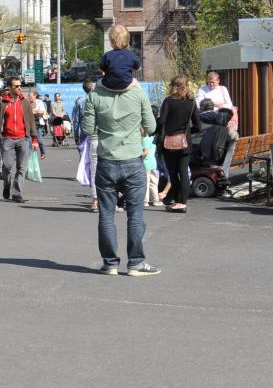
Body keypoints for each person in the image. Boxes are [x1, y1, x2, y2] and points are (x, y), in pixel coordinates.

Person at [81, 71, 159, 276]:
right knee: (135, 215)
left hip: (107, 160)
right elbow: (151, 127)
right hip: (132, 159)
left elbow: (88, 128)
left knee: (106, 214)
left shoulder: (94, 96)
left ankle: (110, 263)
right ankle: (136, 263)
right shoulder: (138, 94)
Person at [156, 74, 201, 214]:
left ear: (173, 86)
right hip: (185, 142)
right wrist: (187, 132)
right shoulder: (191, 102)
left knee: (173, 173)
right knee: (184, 172)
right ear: (186, 85)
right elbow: (198, 126)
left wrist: (158, 132)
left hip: (169, 142)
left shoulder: (168, 101)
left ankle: (176, 202)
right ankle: (183, 203)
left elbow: (161, 121)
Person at [0, 77, 40, 203]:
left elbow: (31, 122)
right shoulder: (3, 104)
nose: (19, 88)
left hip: (23, 139)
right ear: (9, 87)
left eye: (20, 85)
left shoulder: (25, 103)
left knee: (21, 168)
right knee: (6, 167)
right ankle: (7, 185)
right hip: (7, 139)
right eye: (16, 86)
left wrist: (34, 139)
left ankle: (17, 193)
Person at [72, 79, 100, 211]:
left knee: (91, 167)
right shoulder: (100, 99)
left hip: (88, 136)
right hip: (103, 137)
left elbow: (76, 120)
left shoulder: (80, 101)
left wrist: (76, 137)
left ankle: (95, 199)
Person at [99, 24, 141, 90]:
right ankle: (140, 98)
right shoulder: (131, 55)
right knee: (136, 82)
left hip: (109, 85)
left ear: (111, 41)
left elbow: (101, 69)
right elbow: (137, 68)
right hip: (126, 84)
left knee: (98, 83)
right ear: (128, 40)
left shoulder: (107, 55)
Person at [142, 131, 162, 207]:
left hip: (146, 164)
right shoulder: (153, 138)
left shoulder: (145, 139)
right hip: (153, 163)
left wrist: (136, 154)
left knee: (146, 183)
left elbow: (145, 152)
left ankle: (145, 201)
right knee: (153, 184)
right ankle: (156, 200)